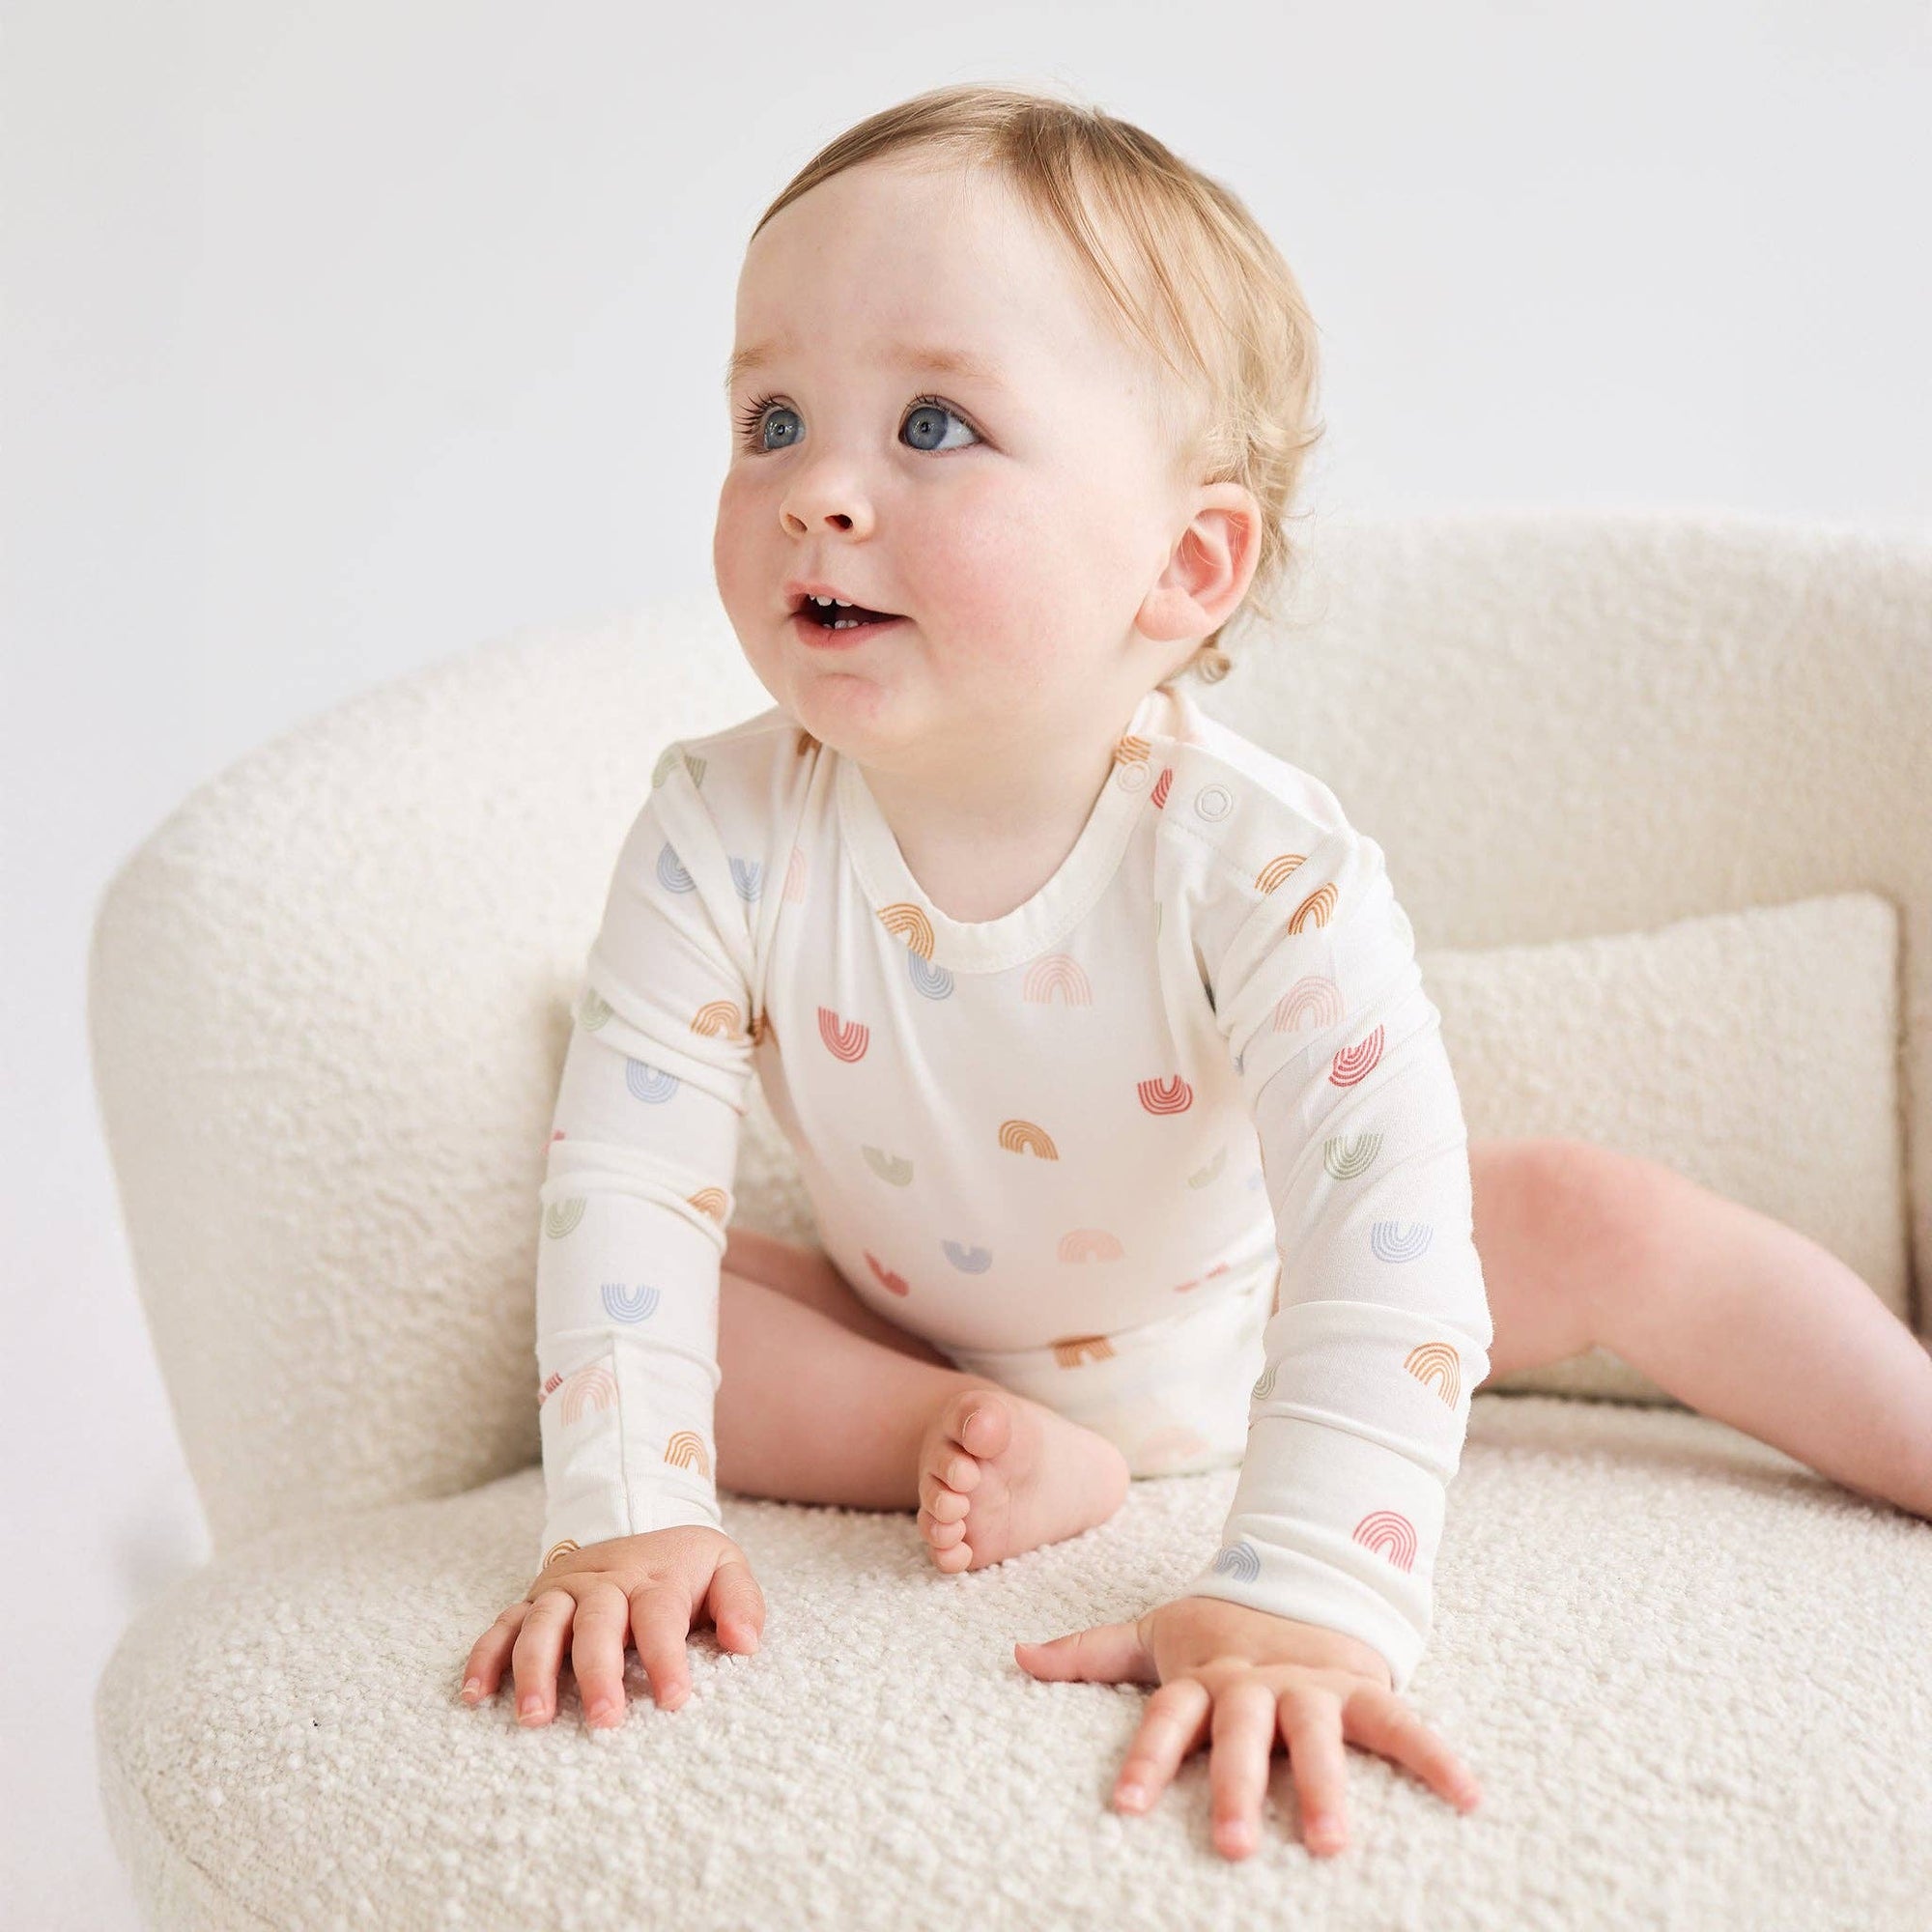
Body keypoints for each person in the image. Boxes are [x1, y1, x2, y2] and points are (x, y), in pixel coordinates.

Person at [462, 82, 1932, 1862]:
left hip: (1249, 1300)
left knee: (1589, 1217)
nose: (817, 494)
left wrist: (1306, 1594)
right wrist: (628, 1517)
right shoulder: (714, 826)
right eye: (772, 419)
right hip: (907, 1327)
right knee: (634, 1279)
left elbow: (1375, 1233)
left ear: (1185, 561)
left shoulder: (1258, 864)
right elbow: (630, 1179)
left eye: (932, 424)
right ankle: (964, 1432)